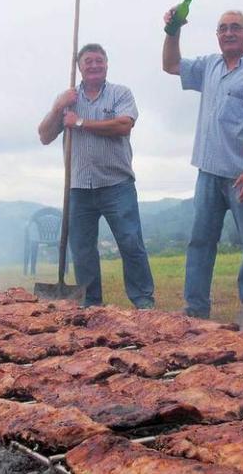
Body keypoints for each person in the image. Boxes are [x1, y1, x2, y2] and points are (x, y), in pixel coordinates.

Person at [163, 8, 243, 319]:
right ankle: (195, 309)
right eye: (223, 28)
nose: (228, 33)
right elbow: (171, 64)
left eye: (236, 27)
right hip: (208, 173)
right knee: (200, 242)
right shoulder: (209, 65)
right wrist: (173, 30)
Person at [38, 43, 155, 309]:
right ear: (79, 67)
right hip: (79, 186)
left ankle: (143, 300)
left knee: (130, 242)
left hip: (117, 184)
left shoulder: (119, 94)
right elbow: (44, 136)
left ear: (106, 64)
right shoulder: (67, 99)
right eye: (87, 61)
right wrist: (58, 108)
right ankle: (91, 304)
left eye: (98, 61)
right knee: (82, 250)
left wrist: (80, 123)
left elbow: (124, 125)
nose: (93, 65)